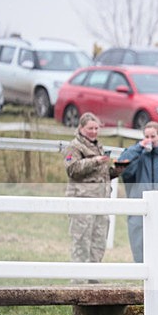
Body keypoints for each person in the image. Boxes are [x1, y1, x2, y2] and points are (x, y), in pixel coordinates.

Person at [115, 121, 158, 263]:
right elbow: (120, 167)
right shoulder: (136, 155)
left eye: (153, 136)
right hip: (139, 207)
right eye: (146, 136)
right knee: (139, 242)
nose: (150, 139)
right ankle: (143, 276)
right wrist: (138, 148)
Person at [63, 112, 120, 280]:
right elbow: (72, 169)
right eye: (90, 128)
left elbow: (101, 175)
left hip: (101, 204)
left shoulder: (98, 147)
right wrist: (96, 161)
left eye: (96, 128)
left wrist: (117, 170)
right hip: (82, 203)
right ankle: (78, 284)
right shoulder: (73, 147)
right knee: (81, 243)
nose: (94, 131)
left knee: (98, 243)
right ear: (81, 128)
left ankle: (95, 282)